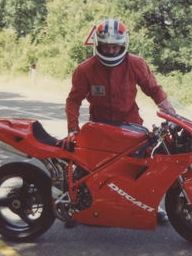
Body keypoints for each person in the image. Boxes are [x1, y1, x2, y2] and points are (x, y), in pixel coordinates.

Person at [60, 18, 173, 223]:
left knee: (145, 168)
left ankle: (152, 206)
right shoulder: (85, 69)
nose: (111, 51)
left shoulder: (136, 64)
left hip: (131, 126)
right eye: (106, 46)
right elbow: (73, 101)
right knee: (87, 171)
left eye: (115, 46)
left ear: (123, 44)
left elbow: (154, 90)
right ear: (98, 45)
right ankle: (76, 205)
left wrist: (171, 113)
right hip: (100, 129)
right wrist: (73, 130)